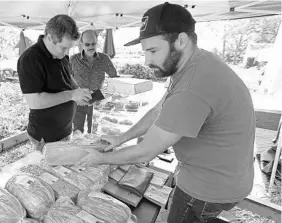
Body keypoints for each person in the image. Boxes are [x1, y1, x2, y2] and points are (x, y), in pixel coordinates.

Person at [77, 3, 255, 223]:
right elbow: (160, 108)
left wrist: (100, 159)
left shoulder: (192, 87)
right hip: (224, 175)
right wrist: (121, 138)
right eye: (145, 51)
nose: (146, 61)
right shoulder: (195, 63)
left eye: (153, 51)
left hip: (208, 186)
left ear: (181, 41)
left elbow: (145, 152)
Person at [17, 14, 92, 147]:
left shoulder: (61, 55)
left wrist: (80, 94)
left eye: (69, 48)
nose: (66, 52)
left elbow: (66, 85)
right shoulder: (30, 59)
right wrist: (72, 95)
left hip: (65, 131)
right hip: (46, 137)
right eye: (64, 47)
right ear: (50, 38)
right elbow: (35, 102)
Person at [70, 30, 118, 133]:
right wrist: (74, 92)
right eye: (87, 44)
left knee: (96, 131)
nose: (91, 47)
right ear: (81, 44)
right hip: (79, 100)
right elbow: (67, 78)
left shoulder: (104, 58)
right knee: (78, 132)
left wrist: (111, 93)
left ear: (97, 43)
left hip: (98, 100)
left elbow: (114, 78)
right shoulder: (74, 60)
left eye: (93, 44)